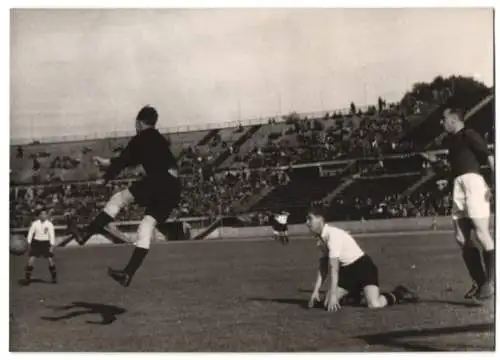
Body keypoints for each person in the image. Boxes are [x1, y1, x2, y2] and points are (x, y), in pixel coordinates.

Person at [67, 105, 181, 287]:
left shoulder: (141, 138)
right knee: (146, 226)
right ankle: (128, 273)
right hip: (174, 188)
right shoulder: (157, 139)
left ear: (138, 123)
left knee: (117, 199)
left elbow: (123, 161)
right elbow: (129, 160)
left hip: (160, 179)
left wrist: (106, 178)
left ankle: (84, 234)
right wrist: (107, 162)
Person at [305, 206, 418, 312]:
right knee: (327, 303)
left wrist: (334, 294)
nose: (307, 223)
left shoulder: (332, 235)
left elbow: (334, 269)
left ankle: (399, 293)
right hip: (347, 272)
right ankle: (355, 294)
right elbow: (324, 267)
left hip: (363, 267)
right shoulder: (320, 241)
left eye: (310, 219)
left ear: (320, 219)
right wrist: (315, 291)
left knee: (374, 305)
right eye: (306, 219)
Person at [438, 107, 495, 300]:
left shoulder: (469, 134)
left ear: (453, 120)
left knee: (481, 232)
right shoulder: (451, 141)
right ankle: (480, 283)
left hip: (473, 183)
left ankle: (491, 282)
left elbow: (490, 157)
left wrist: (495, 184)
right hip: (459, 185)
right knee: (462, 238)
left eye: (443, 120)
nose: (441, 123)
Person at [24, 209, 57, 285]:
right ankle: (27, 279)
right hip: (36, 243)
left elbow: (52, 235)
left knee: (50, 260)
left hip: (45, 243)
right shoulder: (35, 224)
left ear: (46, 215)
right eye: (42, 214)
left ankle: (54, 278)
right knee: (31, 260)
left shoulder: (49, 224)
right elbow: (30, 233)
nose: (43, 216)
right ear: (39, 216)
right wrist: (28, 243)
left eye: (45, 214)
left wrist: (52, 246)